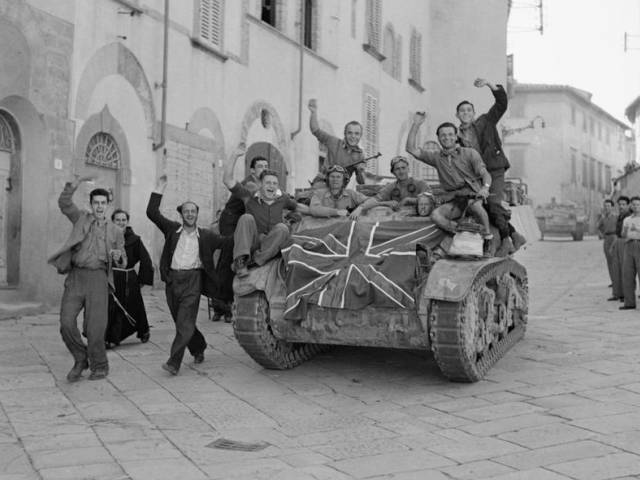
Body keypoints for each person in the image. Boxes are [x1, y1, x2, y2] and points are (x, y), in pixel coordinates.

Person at [146, 175, 229, 375]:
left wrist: (250, 234)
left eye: (193, 211)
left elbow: (228, 242)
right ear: (181, 214)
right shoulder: (172, 230)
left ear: (197, 214)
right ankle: (199, 346)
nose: (190, 214)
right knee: (181, 321)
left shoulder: (207, 235)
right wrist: (159, 188)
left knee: (184, 322)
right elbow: (152, 212)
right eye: (186, 211)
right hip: (173, 281)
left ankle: (174, 363)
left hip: (193, 280)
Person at [48, 176, 126, 382]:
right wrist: (73, 185)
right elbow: (64, 204)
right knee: (66, 322)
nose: (100, 206)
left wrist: (119, 257)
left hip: (99, 279)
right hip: (76, 277)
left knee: (95, 328)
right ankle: (80, 357)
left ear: (108, 205)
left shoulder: (116, 230)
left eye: (103, 203)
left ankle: (99, 365)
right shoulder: (80, 218)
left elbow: (123, 260)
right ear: (91, 205)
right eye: (96, 203)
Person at [456, 78, 526, 254]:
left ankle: (506, 240)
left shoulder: (485, 121)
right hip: (477, 175)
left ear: (473, 113)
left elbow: (502, 103)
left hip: (494, 170)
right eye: (462, 111)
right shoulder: (456, 137)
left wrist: (489, 84)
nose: (465, 113)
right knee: (484, 208)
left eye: (468, 110)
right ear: (457, 115)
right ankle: (515, 235)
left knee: (494, 203)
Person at [406, 118, 493, 240]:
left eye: (450, 134)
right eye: (443, 135)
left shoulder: (470, 153)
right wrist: (416, 124)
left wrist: (485, 188)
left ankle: (488, 237)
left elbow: (485, 173)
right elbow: (411, 149)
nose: (447, 138)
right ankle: (460, 233)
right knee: (436, 216)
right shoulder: (436, 157)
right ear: (439, 138)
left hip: (473, 195)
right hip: (454, 199)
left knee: (476, 207)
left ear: (456, 136)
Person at [223, 147, 298, 278]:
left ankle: (254, 261)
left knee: (282, 228)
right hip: (241, 229)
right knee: (245, 219)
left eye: (274, 183)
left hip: (267, 240)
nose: (271, 185)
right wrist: (234, 156)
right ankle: (240, 262)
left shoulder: (282, 197)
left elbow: (299, 207)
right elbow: (228, 180)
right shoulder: (249, 192)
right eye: (268, 182)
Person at [210, 148, 260, 322]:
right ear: (252, 170)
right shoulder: (251, 184)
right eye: (260, 166)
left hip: (241, 222)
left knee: (234, 257)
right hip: (231, 221)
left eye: (266, 166)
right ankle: (221, 305)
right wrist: (234, 155)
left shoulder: (263, 185)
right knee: (229, 257)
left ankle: (225, 303)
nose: (263, 169)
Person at [106, 209, 154, 347]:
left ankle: (143, 331)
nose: (121, 222)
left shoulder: (135, 239)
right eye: (118, 220)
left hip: (129, 277)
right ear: (113, 221)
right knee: (112, 307)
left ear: (127, 222)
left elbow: (145, 259)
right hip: (112, 277)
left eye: (123, 220)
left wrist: (143, 279)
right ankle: (111, 338)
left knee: (136, 305)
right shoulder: (107, 238)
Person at [308, 98, 367, 184]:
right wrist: (313, 113)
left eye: (357, 134)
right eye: (350, 133)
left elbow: (361, 182)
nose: (353, 136)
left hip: (339, 189)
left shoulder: (360, 155)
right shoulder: (333, 142)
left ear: (360, 136)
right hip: (323, 182)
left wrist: (360, 171)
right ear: (345, 134)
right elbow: (315, 130)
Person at [359, 156, 431, 213]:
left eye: (403, 168)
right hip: (399, 220)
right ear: (393, 172)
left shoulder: (420, 183)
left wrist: (408, 200)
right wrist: (360, 208)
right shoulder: (390, 187)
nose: (401, 171)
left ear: (408, 169)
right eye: (397, 169)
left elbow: (430, 199)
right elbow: (375, 200)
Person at [620, 196, 640, 310]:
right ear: (631, 206)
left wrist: (637, 229)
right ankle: (629, 303)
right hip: (628, 245)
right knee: (627, 273)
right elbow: (623, 234)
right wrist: (626, 230)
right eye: (634, 205)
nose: (636, 207)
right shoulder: (627, 219)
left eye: (638, 204)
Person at [611, 195, 631, 301]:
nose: (621, 206)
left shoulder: (629, 216)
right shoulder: (620, 216)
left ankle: (626, 295)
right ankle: (618, 293)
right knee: (617, 269)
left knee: (625, 270)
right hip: (618, 241)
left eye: (624, 204)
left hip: (626, 242)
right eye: (620, 204)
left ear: (628, 205)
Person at [597, 199, 618, 298]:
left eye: (609, 206)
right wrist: (601, 234)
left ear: (612, 207)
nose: (607, 208)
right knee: (609, 261)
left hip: (614, 237)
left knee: (615, 261)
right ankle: (613, 281)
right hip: (607, 238)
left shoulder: (616, 217)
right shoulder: (603, 218)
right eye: (605, 206)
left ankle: (617, 281)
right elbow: (598, 227)